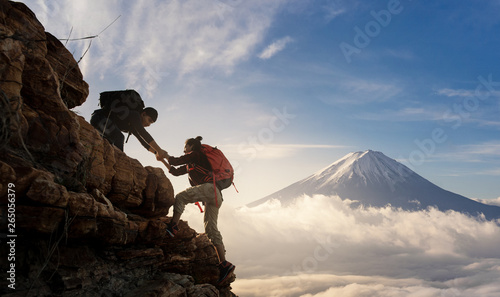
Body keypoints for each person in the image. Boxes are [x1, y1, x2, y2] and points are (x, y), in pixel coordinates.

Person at [163, 136, 235, 284]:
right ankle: (224, 264)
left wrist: (164, 155)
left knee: (180, 197)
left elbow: (176, 161)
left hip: (209, 190)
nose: (184, 150)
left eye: (185, 147)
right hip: (216, 195)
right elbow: (176, 171)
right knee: (211, 229)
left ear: (191, 146)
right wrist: (162, 161)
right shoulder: (193, 162)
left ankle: (172, 226)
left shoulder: (196, 154)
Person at [90, 106, 168, 159]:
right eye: (149, 120)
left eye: (151, 123)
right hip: (99, 118)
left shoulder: (132, 125)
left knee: (111, 142)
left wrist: (156, 152)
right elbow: (143, 133)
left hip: (104, 125)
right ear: (143, 114)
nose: (148, 124)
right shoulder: (135, 115)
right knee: (119, 137)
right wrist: (159, 150)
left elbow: (143, 142)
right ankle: (119, 163)